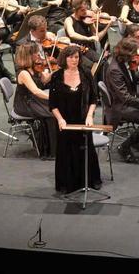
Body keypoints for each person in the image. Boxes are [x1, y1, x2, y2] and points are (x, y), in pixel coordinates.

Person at [49, 44, 101, 192]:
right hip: (64, 121)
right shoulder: (57, 76)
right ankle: (67, 183)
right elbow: (52, 104)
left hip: (83, 119)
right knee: (66, 150)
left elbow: (93, 99)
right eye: (71, 57)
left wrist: (90, 115)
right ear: (65, 58)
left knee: (86, 149)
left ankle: (90, 180)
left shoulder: (86, 74)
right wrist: (60, 119)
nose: (74, 60)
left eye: (77, 57)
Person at [103, 37, 139, 163]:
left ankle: (134, 146)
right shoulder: (115, 70)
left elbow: (133, 80)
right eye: (134, 53)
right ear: (127, 53)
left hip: (127, 102)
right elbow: (125, 97)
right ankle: (125, 146)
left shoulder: (124, 63)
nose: (136, 55)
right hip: (120, 107)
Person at [14, 43, 56, 159]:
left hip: (34, 101)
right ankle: (50, 151)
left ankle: (55, 146)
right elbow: (36, 91)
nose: (39, 54)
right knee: (52, 114)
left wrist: (56, 71)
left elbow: (45, 79)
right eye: (36, 53)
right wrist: (53, 97)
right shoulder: (23, 73)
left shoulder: (35, 68)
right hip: (24, 104)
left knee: (55, 110)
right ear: (29, 55)